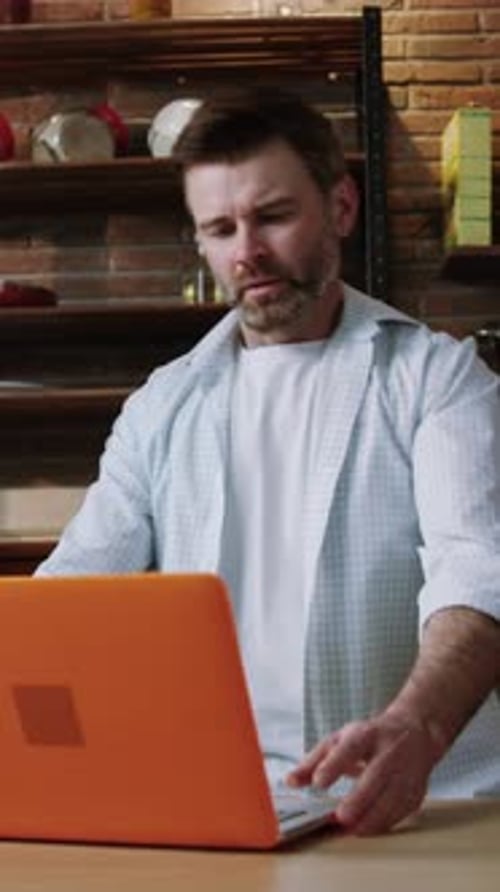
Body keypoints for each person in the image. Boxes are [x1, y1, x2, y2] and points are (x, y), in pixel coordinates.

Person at [36, 88, 500, 835]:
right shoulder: (163, 405)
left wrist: (420, 726)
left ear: (340, 208)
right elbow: (69, 592)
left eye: (273, 217)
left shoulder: (438, 379)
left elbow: (479, 569)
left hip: (428, 799)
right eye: (219, 228)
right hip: (228, 803)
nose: (245, 251)